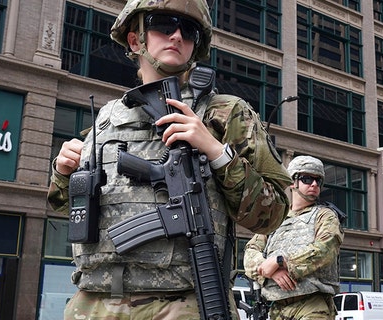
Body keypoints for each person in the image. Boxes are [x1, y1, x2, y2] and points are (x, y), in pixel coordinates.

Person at [46, 0, 292, 318]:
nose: (176, 35)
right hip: (93, 304)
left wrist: (216, 152)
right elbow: (68, 207)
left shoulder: (227, 112)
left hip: (183, 304)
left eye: (188, 30)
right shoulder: (107, 117)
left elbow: (273, 214)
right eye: (163, 24)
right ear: (135, 39)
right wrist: (66, 172)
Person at [244, 155, 345, 320]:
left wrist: (280, 260)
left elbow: (326, 249)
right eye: (307, 179)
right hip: (277, 307)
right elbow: (251, 251)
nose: (314, 184)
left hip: (311, 304)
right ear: (292, 182)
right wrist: (268, 270)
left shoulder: (325, 216)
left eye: (318, 181)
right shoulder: (277, 218)